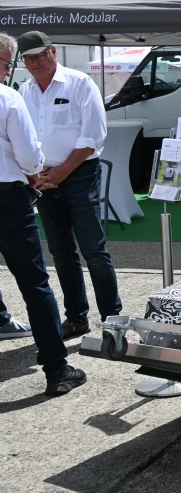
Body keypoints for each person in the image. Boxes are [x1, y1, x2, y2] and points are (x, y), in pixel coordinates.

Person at [17, 31, 121, 339]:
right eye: (29, 58)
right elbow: (21, 137)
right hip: (43, 180)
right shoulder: (24, 90)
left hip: (79, 175)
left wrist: (62, 172)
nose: (35, 63)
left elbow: (93, 136)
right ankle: (76, 318)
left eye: (40, 55)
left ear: (53, 52)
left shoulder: (80, 83)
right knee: (61, 253)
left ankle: (112, 321)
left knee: (93, 250)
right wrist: (34, 175)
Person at [0, 32, 85, 395]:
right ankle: (56, 369)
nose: (9, 71)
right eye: (7, 64)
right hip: (7, 197)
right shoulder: (8, 97)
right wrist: (35, 174)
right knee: (35, 284)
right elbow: (28, 153)